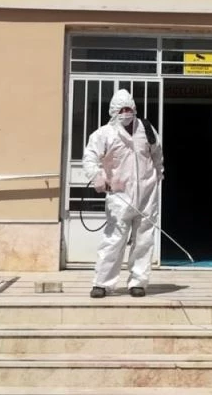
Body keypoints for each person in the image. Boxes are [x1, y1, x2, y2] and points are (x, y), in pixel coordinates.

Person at [82, 89, 164, 299]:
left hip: (146, 193)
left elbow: (157, 154)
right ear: (113, 111)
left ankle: (138, 282)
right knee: (114, 239)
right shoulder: (103, 134)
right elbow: (90, 158)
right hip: (119, 195)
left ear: (134, 109)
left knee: (144, 239)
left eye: (129, 109)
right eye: (122, 110)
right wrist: (97, 176)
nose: (126, 113)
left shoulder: (146, 129)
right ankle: (102, 283)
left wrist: (159, 173)